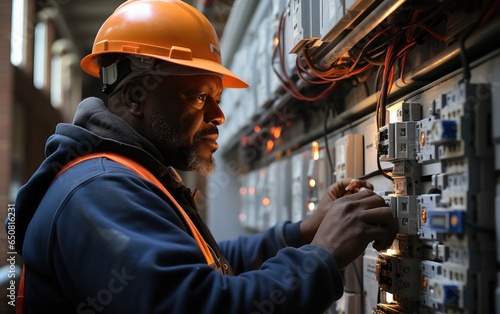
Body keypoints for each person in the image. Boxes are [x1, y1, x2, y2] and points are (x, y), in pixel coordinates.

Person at [11, 0, 398, 313]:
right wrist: (323, 255)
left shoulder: (126, 177)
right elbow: (201, 303)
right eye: (199, 96)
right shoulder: (100, 191)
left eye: (217, 98)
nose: (218, 115)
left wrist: (305, 231)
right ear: (136, 97)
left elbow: (204, 259)